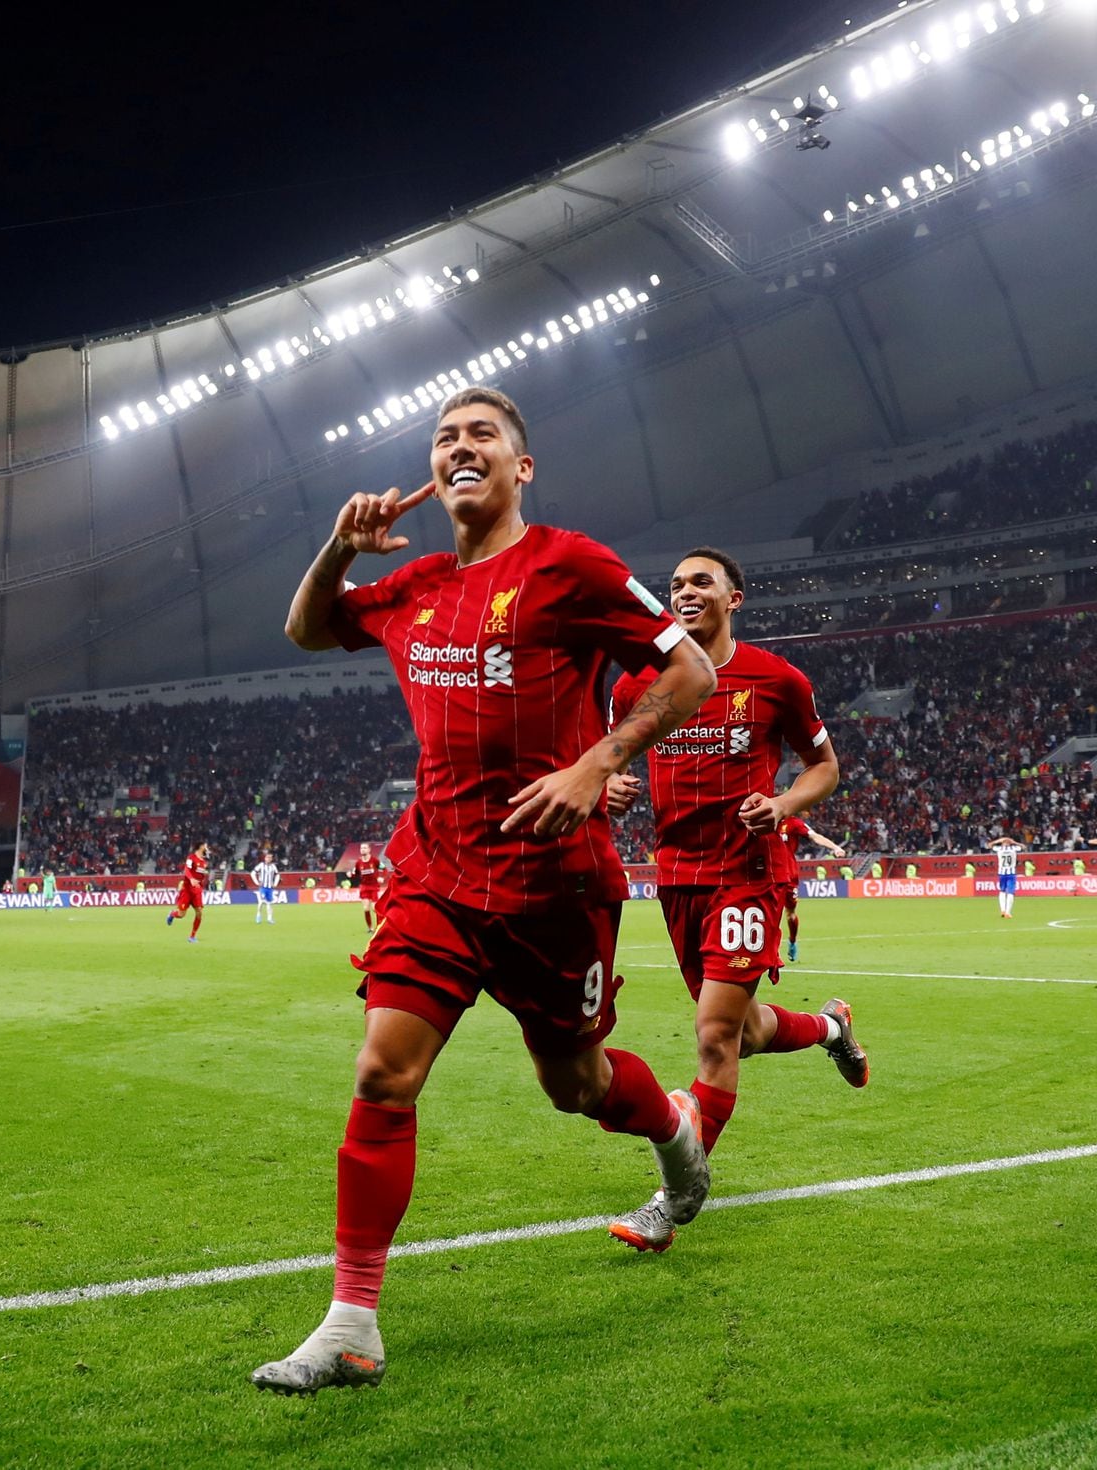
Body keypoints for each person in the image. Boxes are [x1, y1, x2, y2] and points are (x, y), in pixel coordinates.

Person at [255, 386, 718, 1395]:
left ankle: (674, 1128)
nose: (461, 447)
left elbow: (687, 673)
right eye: (445, 438)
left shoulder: (569, 564)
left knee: (576, 1085)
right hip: (434, 874)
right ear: (433, 472)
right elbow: (302, 630)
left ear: (520, 468)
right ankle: (351, 1324)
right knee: (384, 1071)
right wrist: (340, 546)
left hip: (553, 887)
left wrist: (598, 762)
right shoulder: (412, 584)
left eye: (483, 436)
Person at [603, 547, 867, 1253]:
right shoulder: (639, 686)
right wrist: (613, 786)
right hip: (677, 878)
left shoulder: (775, 678)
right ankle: (832, 1027)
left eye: (701, 582)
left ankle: (676, 1195)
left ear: (734, 598)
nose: (685, 592)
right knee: (743, 1030)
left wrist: (781, 804)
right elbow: (613, 763)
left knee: (715, 1035)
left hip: (748, 871)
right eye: (676, 584)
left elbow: (825, 768)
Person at [777, 814, 846, 962]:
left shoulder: (792, 822)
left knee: (790, 914)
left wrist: (834, 847)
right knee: (770, 914)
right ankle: (769, 951)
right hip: (769, 875)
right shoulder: (764, 820)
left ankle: (792, 941)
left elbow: (814, 836)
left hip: (789, 876)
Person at [166, 842, 212, 942]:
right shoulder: (191, 858)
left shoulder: (204, 862)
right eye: (205, 845)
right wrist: (191, 879)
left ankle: (192, 936)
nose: (206, 847)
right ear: (200, 846)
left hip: (197, 891)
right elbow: (187, 870)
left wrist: (202, 881)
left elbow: (201, 876)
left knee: (199, 912)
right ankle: (172, 914)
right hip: (187, 890)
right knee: (181, 914)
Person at [350, 841, 383, 932]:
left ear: (369, 849)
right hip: (364, 887)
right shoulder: (358, 862)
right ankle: (370, 928)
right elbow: (356, 874)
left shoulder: (374, 860)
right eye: (361, 848)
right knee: (366, 908)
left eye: (364, 848)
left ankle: (380, 926)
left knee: (375, 908)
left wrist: (381, 877)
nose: (362, 849)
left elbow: (384, 869)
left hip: (374, 887)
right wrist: (350, 875)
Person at [989, 834, 1024, 919]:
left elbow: (989, 845)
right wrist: (1014, 842)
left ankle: (1002, 910)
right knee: (1010, 892)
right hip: (1011, 873)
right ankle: (1008, 912)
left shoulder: (999, 849)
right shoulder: (1013, 848)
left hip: (1001, 873)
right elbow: (1023, 847)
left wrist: (998, 841)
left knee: (1002, 891)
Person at [252, 849, 281, 925]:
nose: (269, 859)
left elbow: (277, 875)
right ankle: (258, 915)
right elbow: (253, 873)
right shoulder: (261, 865)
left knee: (269, 903)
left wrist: (275, 884)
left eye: (270, 857)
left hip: (270, 888)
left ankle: (269, 918)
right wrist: (257, 882)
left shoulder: (273, 866)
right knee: (261, 902)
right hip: (263, 887)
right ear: (265, 858)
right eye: (268, 857)